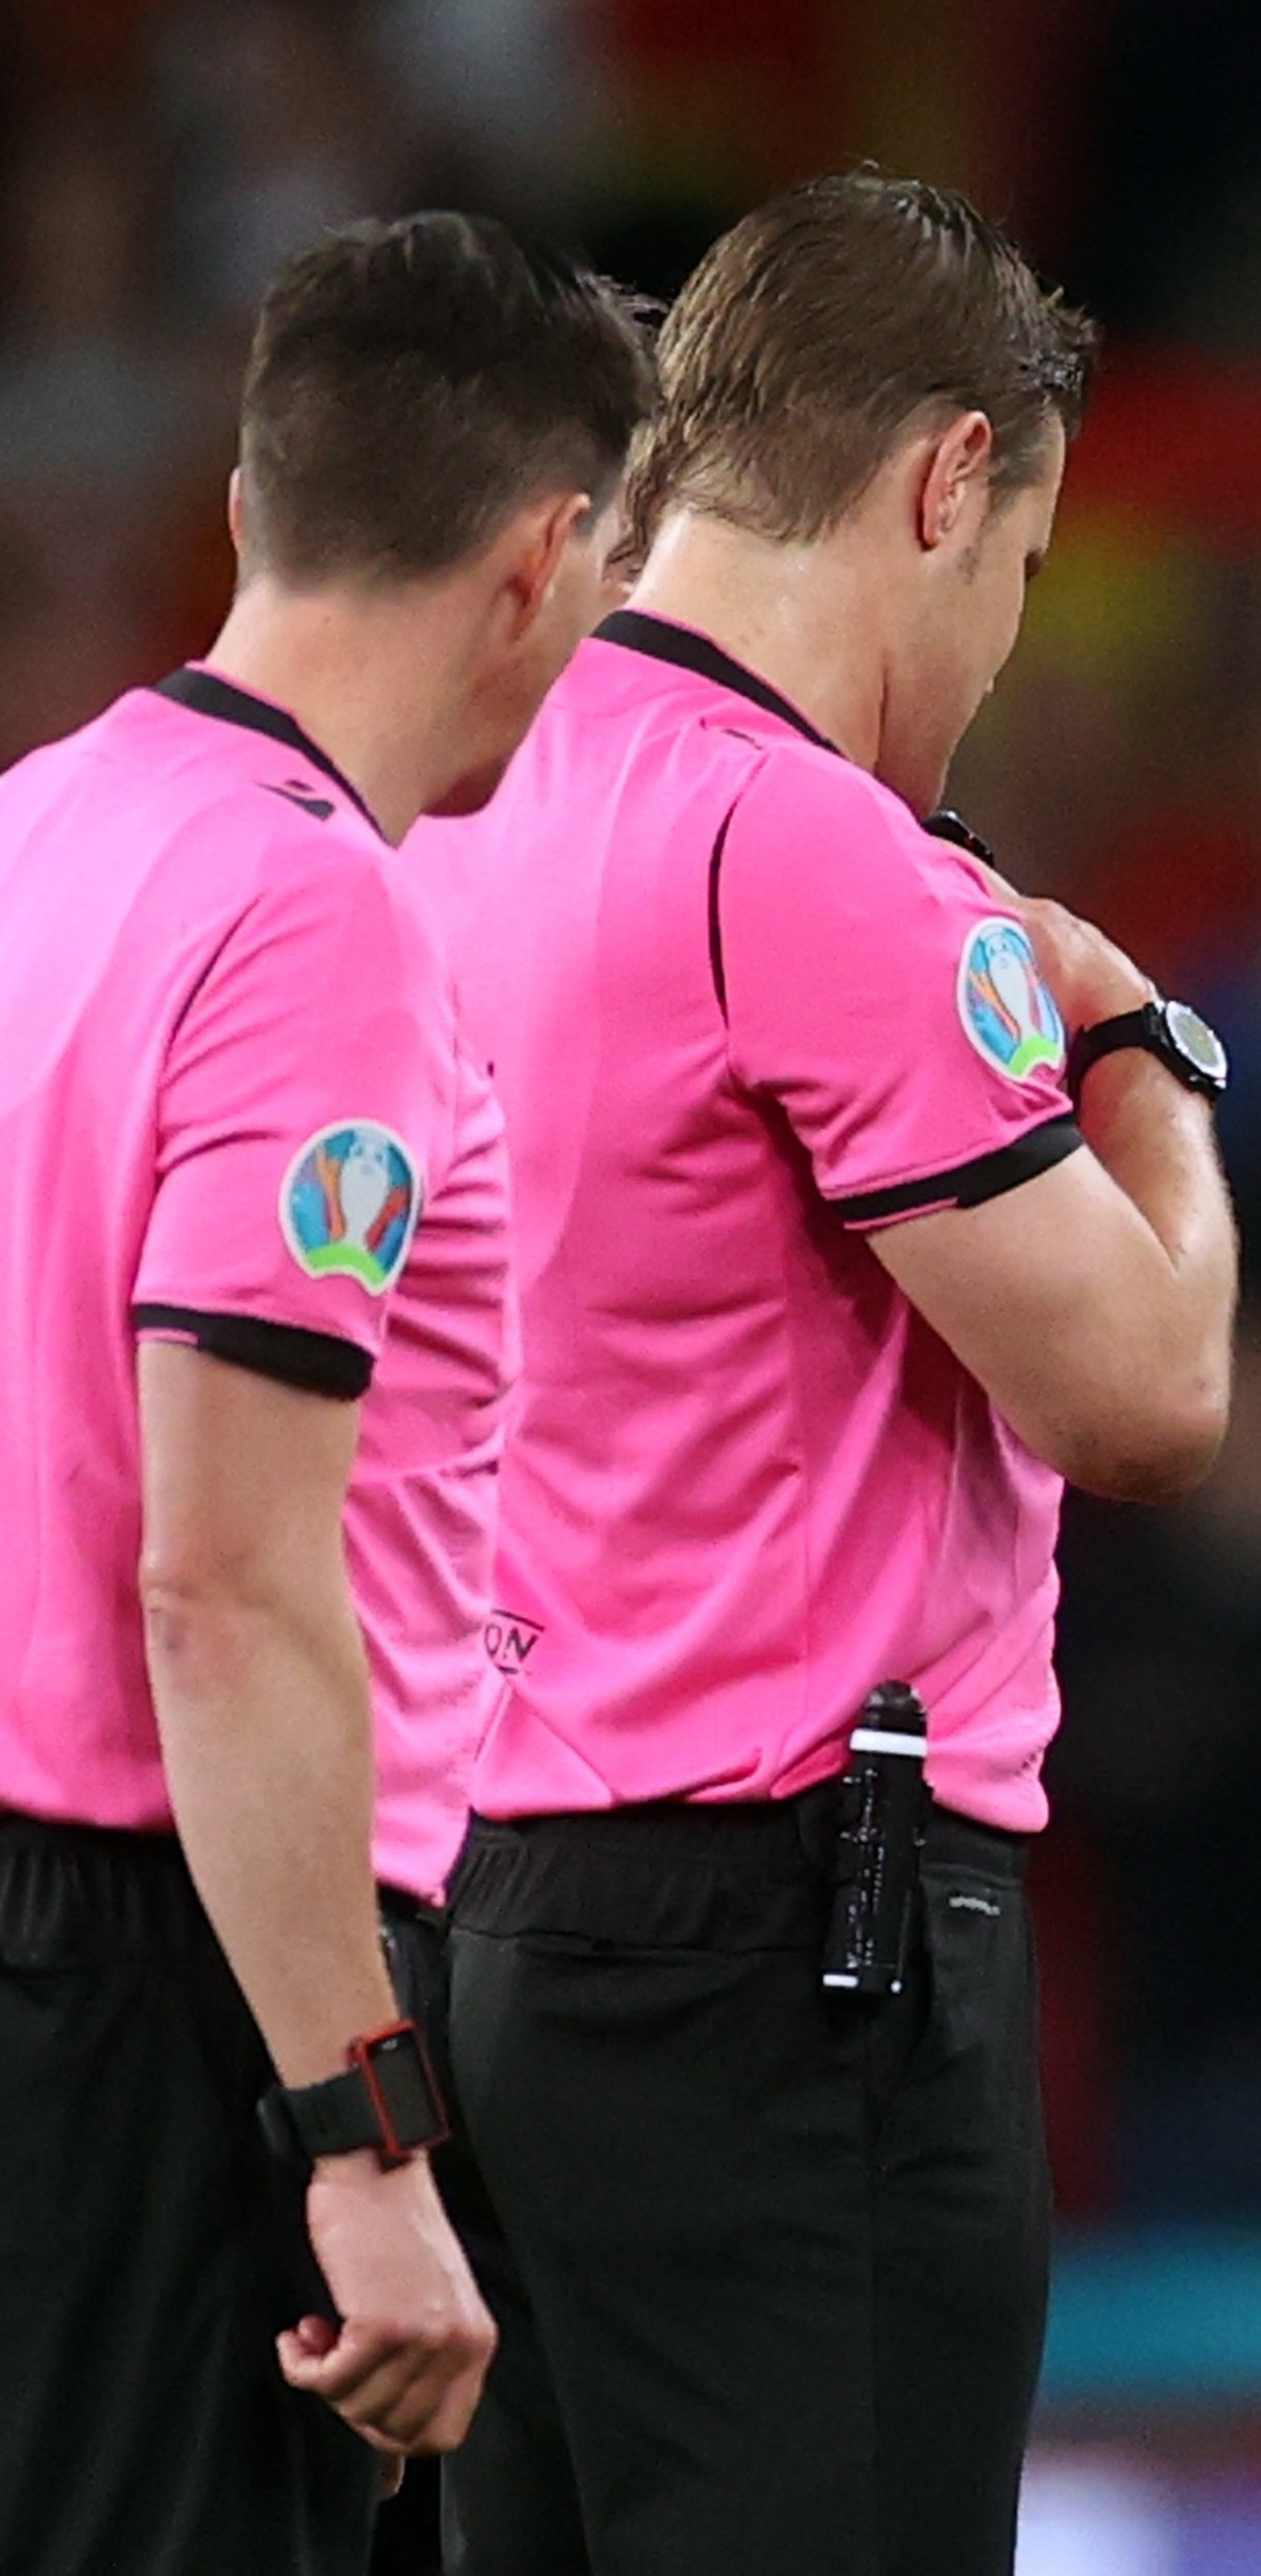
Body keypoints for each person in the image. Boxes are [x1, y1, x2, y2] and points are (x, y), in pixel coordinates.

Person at [406, 173, 1237, 2576]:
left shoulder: (461, 807)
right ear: (945, 481)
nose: (992, 635)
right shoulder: (823, 854)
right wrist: (1142, 1057)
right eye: (1020, 567)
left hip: (494, 1924)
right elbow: (1146, 1394)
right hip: (788, 1965)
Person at [0, 211, 651, 2570]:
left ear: (257, 501)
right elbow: (225, 1584)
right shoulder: (318, 922)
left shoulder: (38, 833)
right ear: (551, 555)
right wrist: (355, 2152)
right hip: (165, 1960)